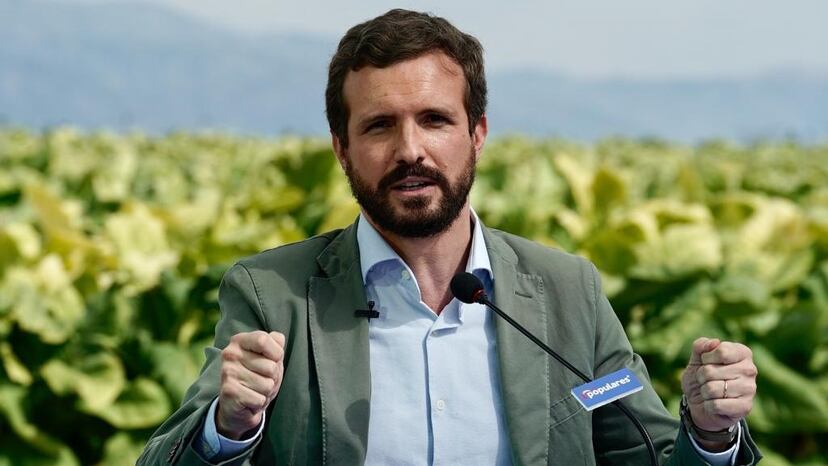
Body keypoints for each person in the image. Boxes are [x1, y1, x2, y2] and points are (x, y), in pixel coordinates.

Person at [138, 9, 761, 465]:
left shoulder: (567, 291)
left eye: (434, 119)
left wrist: (709, 434)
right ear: (342, 148)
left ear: (477, 134)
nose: (410, 150)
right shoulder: (272, 294)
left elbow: (647, 454)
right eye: (379, 126)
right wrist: (228, 427)